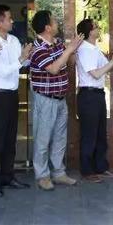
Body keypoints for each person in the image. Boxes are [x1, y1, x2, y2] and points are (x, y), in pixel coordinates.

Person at [29, 10, 83, 191]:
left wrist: (73, 50)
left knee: (60, 138)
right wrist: (69, 50)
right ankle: (42, 176)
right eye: (54, 21)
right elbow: (53, 69)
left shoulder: (58, 43)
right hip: (45, 101)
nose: (57, 23)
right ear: (47, 27)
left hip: (61, 99)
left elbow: (67, 62)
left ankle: (59, 173)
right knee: (43, 139)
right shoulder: (37, 49)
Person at [0, 5, 33, 197]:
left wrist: (27, 56)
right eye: (9, 18)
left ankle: (8, 176)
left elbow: (20, 65)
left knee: (11, 138)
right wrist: (21, 59)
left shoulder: (13, 40)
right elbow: (4, 71)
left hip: (13, 94)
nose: (12, 21)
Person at [75, 18, 113, 183]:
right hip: (88, 95)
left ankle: (101, 167)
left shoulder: (94, 49)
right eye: (95, 27)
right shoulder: (84, 50)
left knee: (100, 133)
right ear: (89, 32)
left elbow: (107, 68)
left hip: (97, 94)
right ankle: (87, 171)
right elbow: (96, 74)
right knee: (89, 134)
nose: (98, 28)